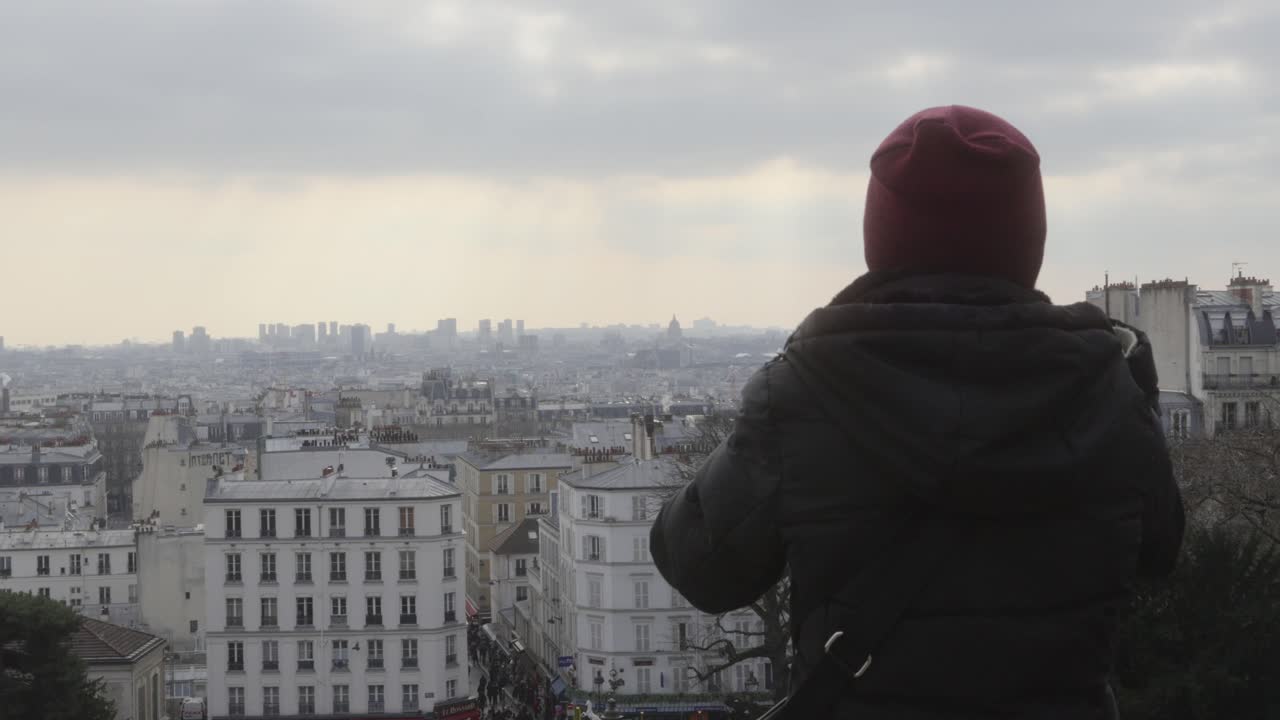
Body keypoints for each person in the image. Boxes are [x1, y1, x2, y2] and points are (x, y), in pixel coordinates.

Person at [649, 105, 1185, 719]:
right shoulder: (1107, 388)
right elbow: (1161, 551)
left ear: (881, 236)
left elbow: (699, 568)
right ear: (1026, 238)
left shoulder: (803, 393)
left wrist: (766, 415)